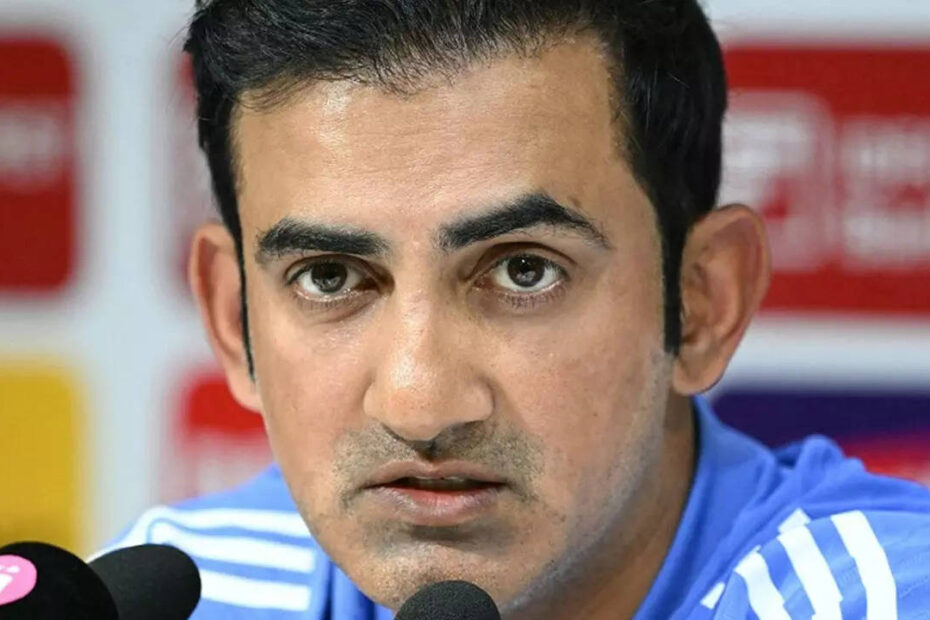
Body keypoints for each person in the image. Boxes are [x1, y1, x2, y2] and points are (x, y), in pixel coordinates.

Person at [105, 1, 930, 618]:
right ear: (233, 319)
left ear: (704, 301)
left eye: (523, 271)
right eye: (328, 277)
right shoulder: (182, 597)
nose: (419, 404)